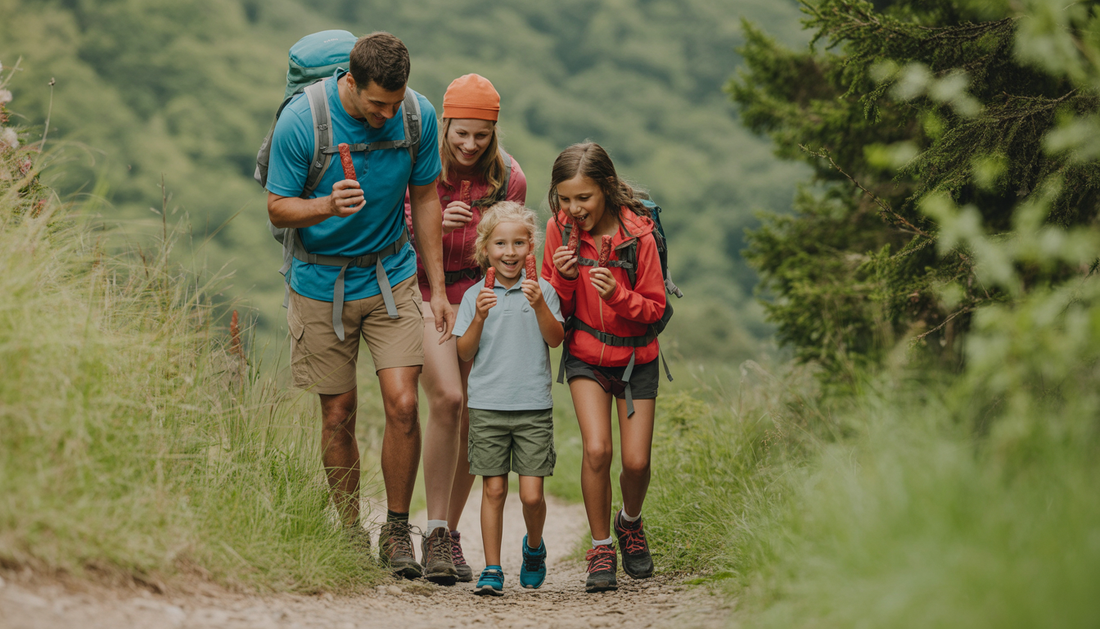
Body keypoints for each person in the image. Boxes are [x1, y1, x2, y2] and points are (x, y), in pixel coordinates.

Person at [265, 32, 453, 581]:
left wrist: (437, 288)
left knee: (402, 404)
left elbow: (425, 199)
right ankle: (349, 532)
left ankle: (397, 532)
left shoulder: (415, 117)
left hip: (391, 273)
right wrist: (326, 205)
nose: (386, 114)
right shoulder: (303, 122)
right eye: (377, 104)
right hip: (319, 281)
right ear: (350, 81)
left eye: (395, 103)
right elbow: (277, 208)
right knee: (338, 412)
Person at [404, 74, 527, 584]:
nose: (471, 145)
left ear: (493, 131)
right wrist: (435, 225)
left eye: (481, 135)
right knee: (449, 399)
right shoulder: (421, 164)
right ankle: (432, 527)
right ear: (446, 124)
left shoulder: (507, 177)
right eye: (461, 133)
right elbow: (390, 224)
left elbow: (513, 244)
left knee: (478, 415)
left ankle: (447, 537)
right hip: (421, 289)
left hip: (479, 296)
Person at [543, 142, 666, 593]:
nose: (574, 209)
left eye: (584, 198)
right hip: (585, 356)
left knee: (636, 462)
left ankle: (629, 522)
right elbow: (558, 310)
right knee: (597, 451)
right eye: (565, 199)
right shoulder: (560, 232)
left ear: (607, 190)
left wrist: (617, 294)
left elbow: (655, 309)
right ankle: (600, 546)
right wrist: (564, 277)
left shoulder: (640, 236)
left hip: (637, 360)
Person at [453, 201, 564, 596]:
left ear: (530, 247)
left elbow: (555, 339)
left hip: (533, 406)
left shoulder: (543, 291)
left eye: (519, 243)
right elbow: (464, 353)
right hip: (487, 406)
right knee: (494, 489)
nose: (510, 252)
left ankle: (534, 548)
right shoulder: (473, 297)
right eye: (501, 244)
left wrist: (537, 305)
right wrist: (480, 317)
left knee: (532, 495)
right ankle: (493, 568)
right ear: (486, 249)